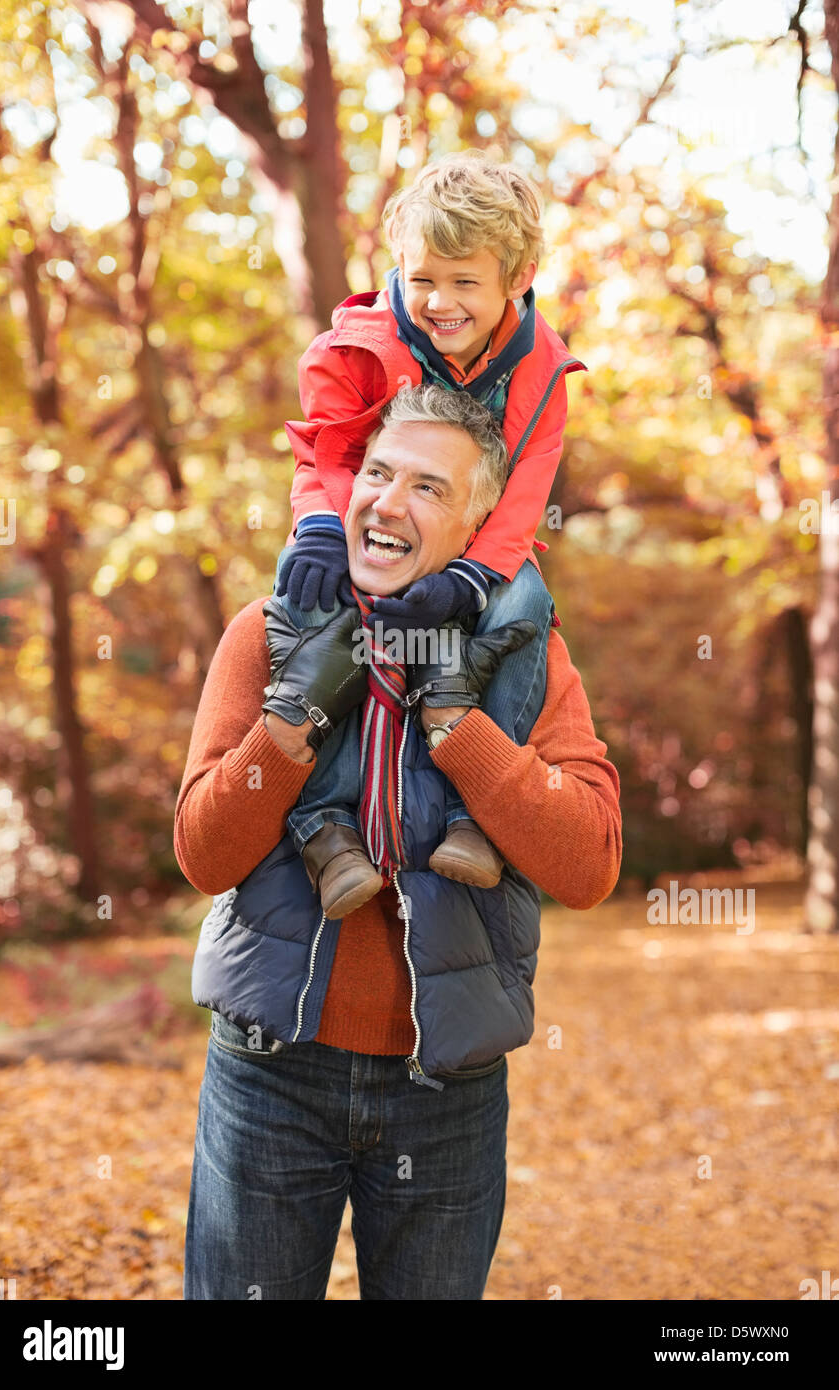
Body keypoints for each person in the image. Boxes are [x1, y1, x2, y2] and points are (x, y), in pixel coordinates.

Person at [176, 385, 622, 1300]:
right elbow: (203, 855)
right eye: (377, 473)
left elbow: (590, 863)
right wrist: (290, 721)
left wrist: (460, 727)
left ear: (477, 526)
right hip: (270, 1075)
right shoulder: (265, 635)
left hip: (446, 1086)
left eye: (427, 487)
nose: (387, 501)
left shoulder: (526, 655)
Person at [273, 150, 588, 915]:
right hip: (368, 528)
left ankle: (477, 816)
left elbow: (527, 487)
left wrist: (471, 578)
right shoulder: (359, 344)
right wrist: (319, 526)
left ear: (518, 279)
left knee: (525, 608)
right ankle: (322, 824)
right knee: (307, 603)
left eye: (464, 283)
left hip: (475, 543)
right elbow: (329, 448)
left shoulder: (540, 366)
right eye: (422, 280)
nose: (439, 303)